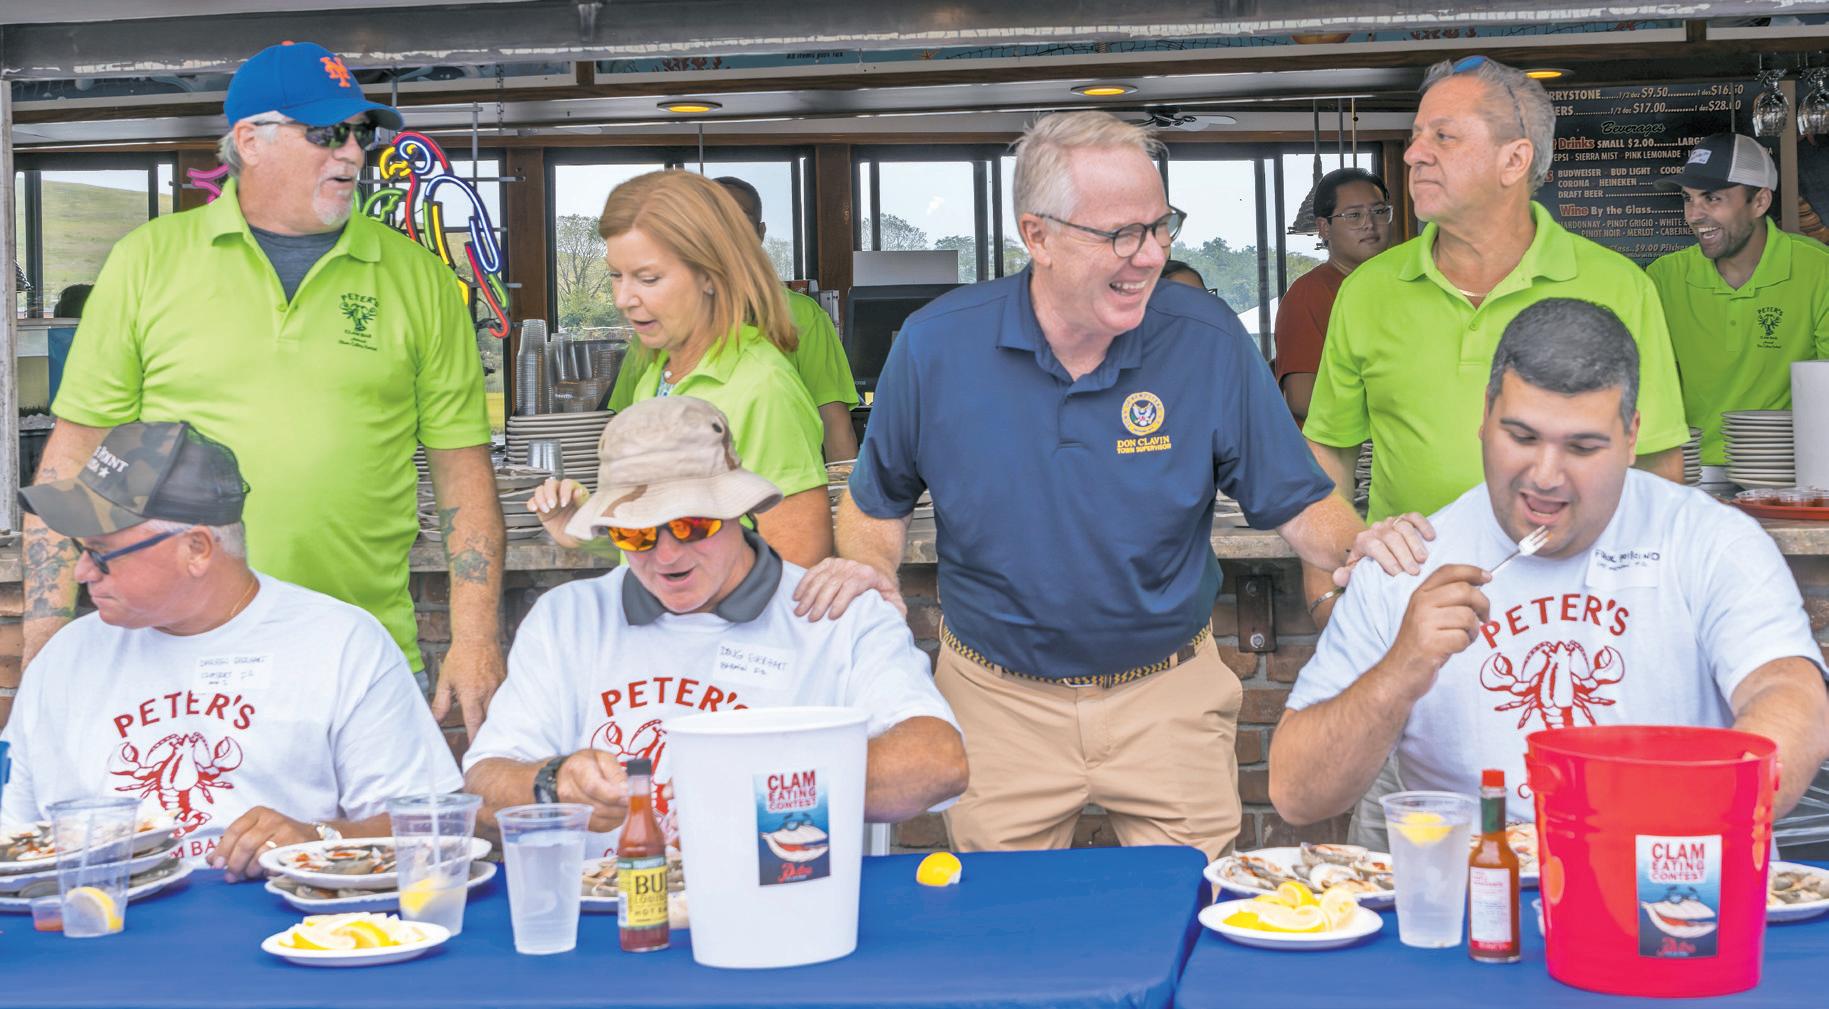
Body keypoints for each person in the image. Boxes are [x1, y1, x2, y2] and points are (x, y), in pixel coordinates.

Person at [793, 111, 1423, 858]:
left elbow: (1298, 498)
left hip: (1169, 692)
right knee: (1009, 919)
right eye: (1120, 234)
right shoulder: (936, 344)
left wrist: (1361, 547)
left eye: (1160, 227)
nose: (1150, 255)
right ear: (1037, 236)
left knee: (1193, 906)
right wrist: (869, 570)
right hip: (995, 701)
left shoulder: (1206, 337)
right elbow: (876, 502)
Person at [25, 41, 506, 737]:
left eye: (360, 134)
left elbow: (463, 472)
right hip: (171, 657)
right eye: (327, 133)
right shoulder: (147, 261)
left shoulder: (421, 278)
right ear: (250, 141)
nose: (352, 152)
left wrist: (477, 637)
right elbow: (73, 460)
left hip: (360, 653)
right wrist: (45, 642)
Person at [1270, 299, 1829, 836]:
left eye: (1582, 447)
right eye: (1522, 437)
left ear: (1631, 437)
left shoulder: (1708, 539)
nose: (1545, 475)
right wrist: (1400, 671)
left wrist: (1650, 832)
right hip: (1476, 887)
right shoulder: (1410, 560)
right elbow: (1297, 794)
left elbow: (1790, 697)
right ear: (1485, 417)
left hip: (1671, 882)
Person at [467, 397, 967, 851]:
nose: (667, 555)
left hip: (781, 903)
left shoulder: (836, 612)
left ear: (737, 510)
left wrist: (759, 784)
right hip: (605, 907)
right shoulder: (566, 619)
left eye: (691, 525)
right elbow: (482, 787)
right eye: (636, 534)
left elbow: (938, 763)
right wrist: (552, 784)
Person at [1, 422, 460, 877]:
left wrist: (320, 837)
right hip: (104, 913)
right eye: (79, 549)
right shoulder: (64, 659)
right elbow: (17, 839)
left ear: (197, 549)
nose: (82, 572)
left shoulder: (340, 643)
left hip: (283, 914)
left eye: (101, 553)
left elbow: (435, 827)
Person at [1304, 56, 1689, 535]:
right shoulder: (1367, 290)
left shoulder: (1620, 287)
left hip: (1571, 580)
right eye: (1417, 135)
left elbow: (1655, 466)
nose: (1414, 154)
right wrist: (1331, 578)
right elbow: (1330, 453)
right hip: (1412, 578)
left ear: (1514, 161)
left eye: (1443, 136)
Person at [543, 170, 832, 567]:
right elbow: (664, 541)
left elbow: (797, 567)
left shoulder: (761, 387)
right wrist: (583, 530)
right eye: (616, 275)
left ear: (710, 275)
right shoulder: (656, 376)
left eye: (648, 278)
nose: (624, 299)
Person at [609, 176, 861, 463]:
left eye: (738, 219)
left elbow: (835, 429)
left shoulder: (802, 316)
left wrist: (844, 491)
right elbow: (622, 430)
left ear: (760, 232)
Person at [1647, 132, 1829, 470]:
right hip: (1692, 475)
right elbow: (1645, 389)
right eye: (1688, 198)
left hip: (1791, 477)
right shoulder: (1664, 277)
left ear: (1759, 202)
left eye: (1712, 198)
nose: (1694, 215)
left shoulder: (1818, 270)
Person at [1273, 168, 1394, 424]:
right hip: (1345, 443)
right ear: (1324, 228)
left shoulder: (1403, 285)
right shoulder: (1309, 294)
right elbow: (1303, 400)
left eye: (1379, 211)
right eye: (1354, 215)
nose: (1369, 224)